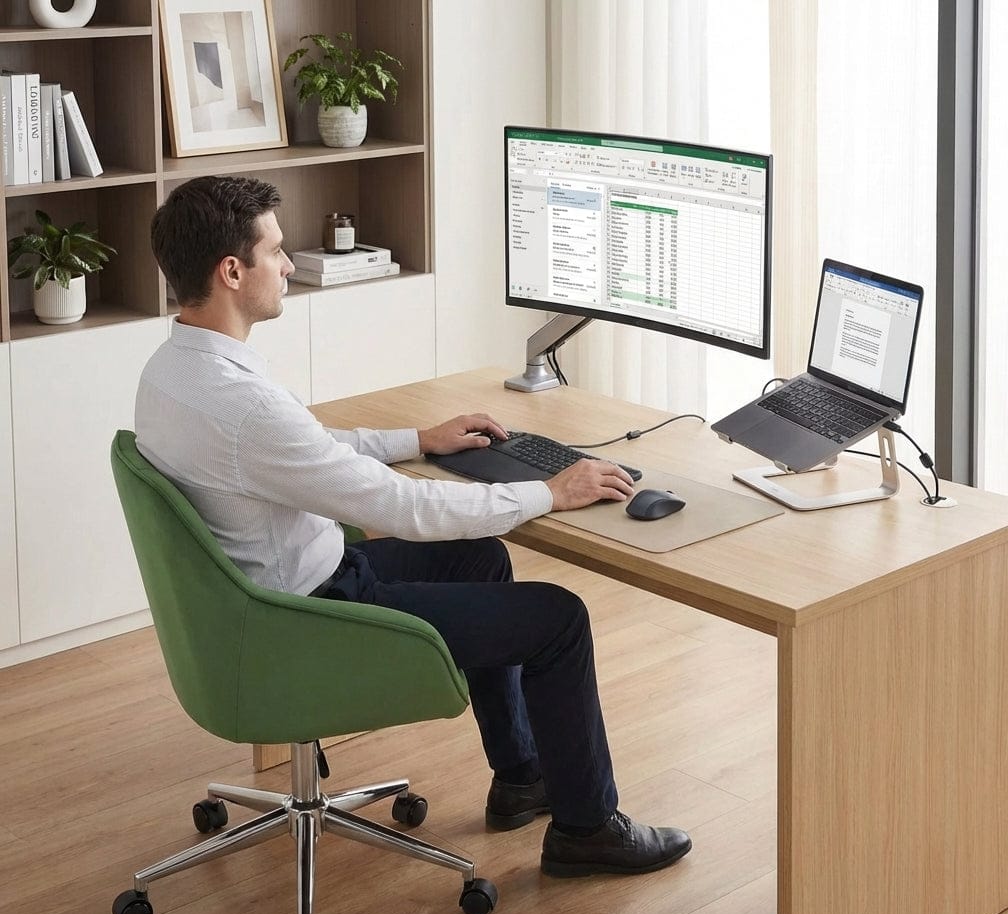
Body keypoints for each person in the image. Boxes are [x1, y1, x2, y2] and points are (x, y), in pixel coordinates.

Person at [135, 175, 691, 878]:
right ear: (232, 271)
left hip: (259, 599)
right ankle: (588, 831)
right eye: (275, 251)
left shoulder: (173, 371)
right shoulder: (242, 404)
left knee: (481, 559)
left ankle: (522, 774)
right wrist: (548, 491)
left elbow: (305, 448)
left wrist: (418, 439)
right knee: (558, 617)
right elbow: (404, 510)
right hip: (307, 617)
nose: (286, 266)